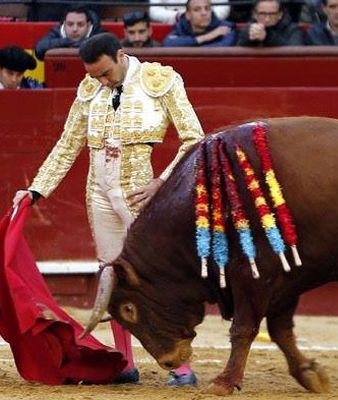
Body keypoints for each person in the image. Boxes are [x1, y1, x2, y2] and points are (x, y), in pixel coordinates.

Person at [12, 33, 203, 386]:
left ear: (120, 55)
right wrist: (36, 189)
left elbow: (194, 138)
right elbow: (68, 144)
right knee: (111, 278)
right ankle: (123, 364)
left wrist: (162, 182)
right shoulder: (89, 89)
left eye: (104, 74)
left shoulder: (159, 81)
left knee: (157, 277)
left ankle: (181, 365)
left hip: (139, 193)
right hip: (98, 191)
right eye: (94, 76)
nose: (100, 81)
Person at [34, 5, 105, 61]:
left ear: (89, 25)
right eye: (70, 24)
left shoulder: (98, 32)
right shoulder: (57, 31)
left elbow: (113, 48)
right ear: (64, 24)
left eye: (80, 24)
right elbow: (39, 49)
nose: (75, 29)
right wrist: (67, 42)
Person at [162, 0, 236, 47]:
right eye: (197, 10)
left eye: (207, 9)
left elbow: (224, 46)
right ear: (188, 15)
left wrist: (190, 46)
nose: (204, 13)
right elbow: (168, 43)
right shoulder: (180, 27)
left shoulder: (226, 27)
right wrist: (207, 37)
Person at [237, 0, 303, 47]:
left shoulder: (293, 29)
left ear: (280, 14)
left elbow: (295, 52)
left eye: (272, 14)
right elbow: (237, 51)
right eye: (262, 14)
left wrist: (267, 37)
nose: (267, 19)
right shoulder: (247, 29)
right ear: (254, 14)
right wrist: (250, 39)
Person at [149, 0, 230, 24]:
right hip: (173, 26)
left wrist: (203, 16)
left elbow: (224, 7)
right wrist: (177, 16)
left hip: (210, 26)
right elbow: (154, 11)